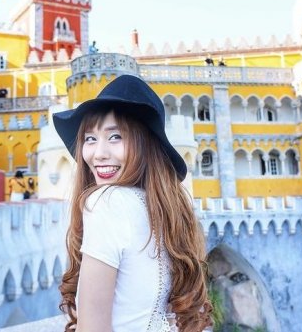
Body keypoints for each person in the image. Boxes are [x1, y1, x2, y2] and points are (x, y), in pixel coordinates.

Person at [53, 75, 212, 332]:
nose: (98, 153)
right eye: (90, 139)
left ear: (145, 145)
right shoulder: (167, 211)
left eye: (115, 137)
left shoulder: (107, 203)